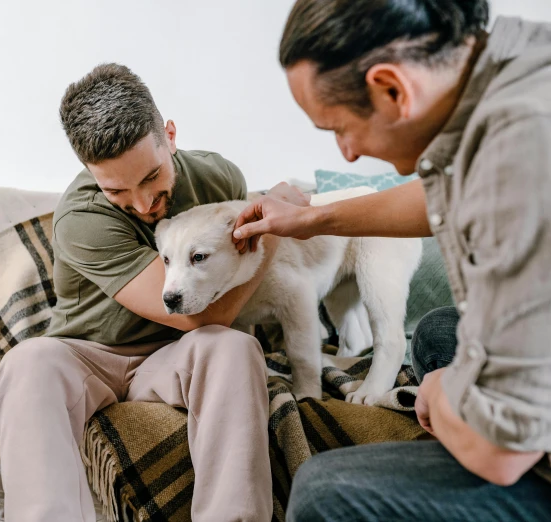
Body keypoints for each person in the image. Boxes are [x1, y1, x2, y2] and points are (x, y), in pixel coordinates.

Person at [231, 1, 551, 520]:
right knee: (436, 334)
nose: (347, 154)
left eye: (338, 128)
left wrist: (442, 393)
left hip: (518, 448)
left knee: (322, 492)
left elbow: (503, 450)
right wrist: (313, 217)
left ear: (392, 89)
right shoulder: (511, 67)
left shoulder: (518, 153)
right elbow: (448, 197)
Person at [0, 63, 279, 522]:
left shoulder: (220, 179)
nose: (143, 203)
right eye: (117, 190)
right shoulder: (81, 217)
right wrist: (276, 233)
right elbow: (197, 314)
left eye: (150, 177)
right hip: (87, 356)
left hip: (173, 357)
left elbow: (215, 311)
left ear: (169, 135)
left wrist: (272, 220)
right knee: (28, 361)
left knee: (234, 348)